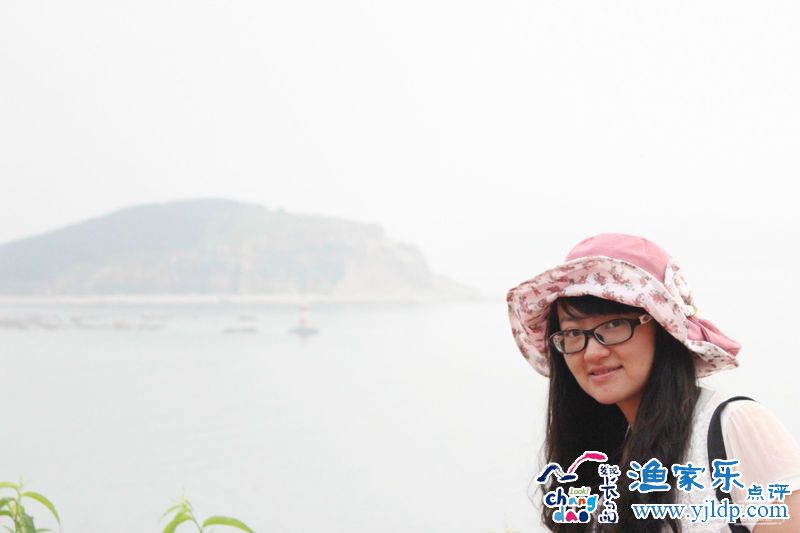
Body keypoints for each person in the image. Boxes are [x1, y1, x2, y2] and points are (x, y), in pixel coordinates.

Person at [506, 233, 800, 532]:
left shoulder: (732, 424)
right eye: (572, 333)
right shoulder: (598, 462)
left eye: (614, 324)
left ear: (663, 329)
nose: (592, 352)